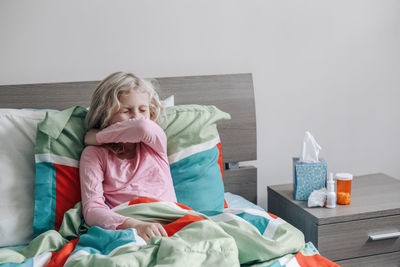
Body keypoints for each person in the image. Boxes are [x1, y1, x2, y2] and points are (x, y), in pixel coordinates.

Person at [79, 72, 177, 242]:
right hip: (129, 224)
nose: (136, 116)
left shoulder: (154, 144)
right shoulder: (94, 155)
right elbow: (92, 210)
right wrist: (135, 225)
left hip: (170, 217)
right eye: (126, 111)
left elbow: (142, 127)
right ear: (105, 115)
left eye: (143, 109)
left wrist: (98, 136)